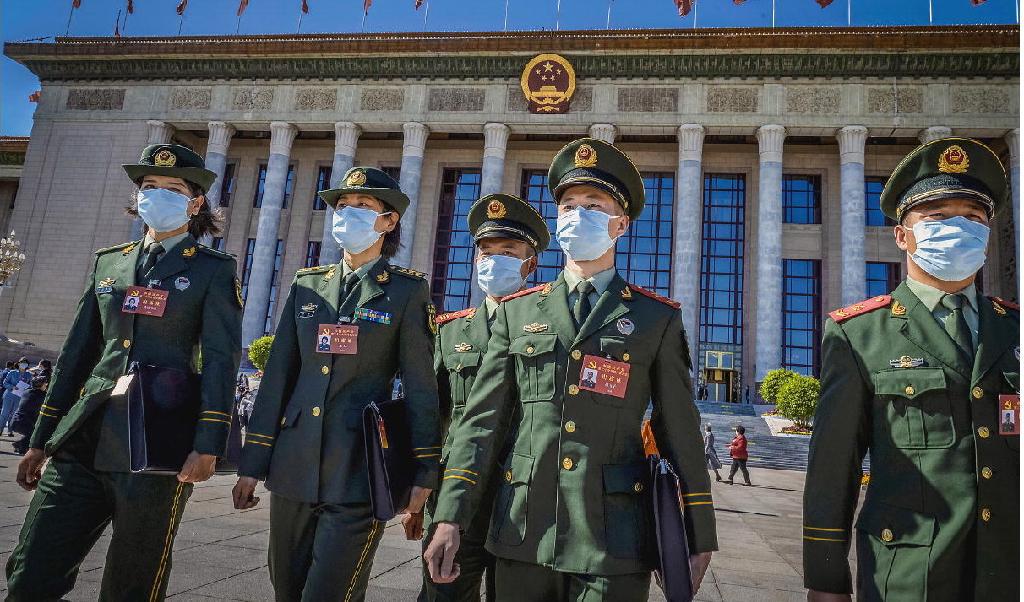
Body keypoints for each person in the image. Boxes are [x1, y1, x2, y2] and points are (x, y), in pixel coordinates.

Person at [424, 138, 716, 601]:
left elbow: (678, 428)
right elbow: (482, 424)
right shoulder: (519, 313)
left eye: (593, 204)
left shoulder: (654, 319)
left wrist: (699, 533)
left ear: (619, 224)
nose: (577, 213)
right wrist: (451, 515)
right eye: (568, 204)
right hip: (522, 527)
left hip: (612, 539)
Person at [6, 143, 243, 601]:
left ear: (195, 203)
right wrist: (41, 438)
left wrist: (208, 444)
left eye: (173, 189)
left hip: (157, 443)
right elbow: (77, 356)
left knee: (133, 578)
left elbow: (220, 362)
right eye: (149, 187)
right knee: (32, 567)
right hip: (85, 437)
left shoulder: (213, 271)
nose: (158, 195)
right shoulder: (109, 262)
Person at [803, 137, 1019, 601]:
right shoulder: (859, 333)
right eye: (938, 218)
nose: (958, 229)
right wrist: (825, 582)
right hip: (909, 576)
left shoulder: (1015, 329)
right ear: (902, 235)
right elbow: (832, 470)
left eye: (973, 218)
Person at [232, 167, 440, 602]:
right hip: (294, 467)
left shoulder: (405, 292)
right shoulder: (307, 286)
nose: (348, 214)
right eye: (343, 206)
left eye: (363, 207)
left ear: (389, 221)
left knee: (331, 593)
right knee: (286, 588)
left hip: (359, 472)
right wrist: (252, 465)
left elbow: (420, 386)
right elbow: (278, 380)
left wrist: (424, 469)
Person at [415, 194, 548, 602]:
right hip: (457, 499)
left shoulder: (548, 330)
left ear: (529, 264)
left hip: (522, 501)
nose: (494, 260)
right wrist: (422, 500)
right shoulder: (452, 331)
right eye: (486, 251)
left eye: (508, 251)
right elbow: (433, 416)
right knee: (442, 594)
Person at [11, 375, 47, 455]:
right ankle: (19, 445)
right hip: (23, 422)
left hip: (17, 420)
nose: (46, 384)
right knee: (35, 434)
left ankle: (20, 446)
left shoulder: (27, 391)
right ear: (40, 385)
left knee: (31, 433)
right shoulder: (40, 395)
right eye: (45, 383)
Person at [1, 357, 31, 437]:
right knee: (5, 413)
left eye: (25, 363)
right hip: (9, 395)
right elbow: (5, 383)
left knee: (14, 414)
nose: (23, 364)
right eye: (22, 362)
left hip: (19, 397)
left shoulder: (29, 375)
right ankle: (0, 429)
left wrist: (26, 388)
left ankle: (10, 431)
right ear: (18, 363)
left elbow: (31, 386)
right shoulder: (12, 372)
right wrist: (12, 387)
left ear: (27, 365)